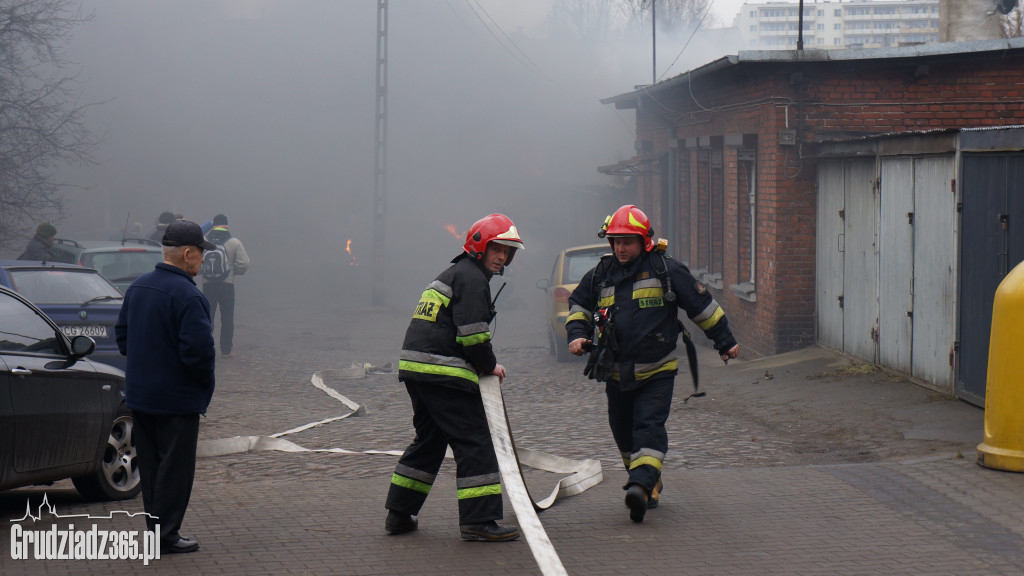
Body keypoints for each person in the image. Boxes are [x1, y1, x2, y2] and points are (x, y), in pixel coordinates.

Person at [565, 205, 740, 524]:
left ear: (644, 241)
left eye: (627, 241)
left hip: (656, 372)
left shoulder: (666, 270)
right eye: (616, 241)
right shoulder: (601, 274)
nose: (620, 248)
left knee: (648, 426)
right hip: (614, 372)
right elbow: (578, 304)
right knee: (622, 433)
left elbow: (701, 306)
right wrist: (576, 334)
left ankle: (640, 485)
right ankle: (647, 480)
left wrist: (725, 341)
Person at [385, 213, 524, 542]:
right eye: (497, 249)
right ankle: (480, 520)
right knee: (475, 442)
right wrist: (489, 365)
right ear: (480, 246)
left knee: (430, 441)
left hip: (418, 370)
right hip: (443, 372)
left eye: (507, 251)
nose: (502, 257)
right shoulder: (472, 279)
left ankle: (399, 514)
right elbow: (472, 336)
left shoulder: (454, 273)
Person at [115, 220, 217, 554]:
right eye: (201, 254)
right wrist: (202, 386)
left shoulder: (138, 287)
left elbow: (123, 338)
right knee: (175, 470)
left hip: (141, 397)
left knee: (152, 466)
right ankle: (167, 535)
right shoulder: (189, 296)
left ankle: (155, 532)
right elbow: (199, 353)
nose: (203, 261)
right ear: (187, 254)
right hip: (176, 400)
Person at [202, 214, 249, 358]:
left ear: (214, 225)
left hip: (208, 285)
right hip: (227, 285)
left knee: (207, 317)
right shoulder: (234, 242)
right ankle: (226, 350)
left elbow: (193, 257)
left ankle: (206, 348)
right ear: (227, 225)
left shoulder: (203, 241)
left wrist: (201, 271)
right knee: (227, 318)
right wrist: (234, 271)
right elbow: (244, 263)